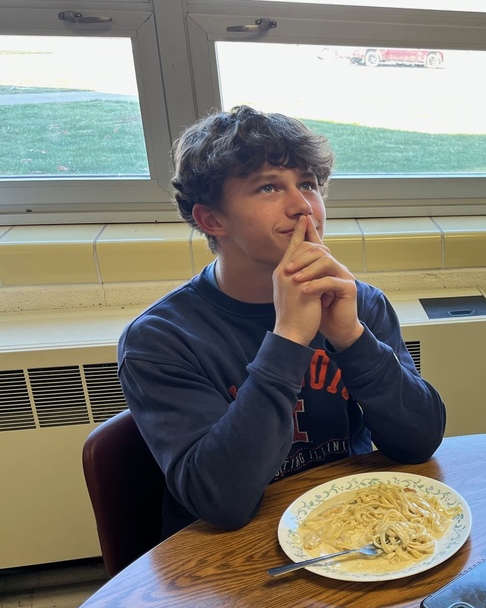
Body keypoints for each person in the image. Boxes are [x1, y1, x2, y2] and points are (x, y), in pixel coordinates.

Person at [118, 105, 446, 537]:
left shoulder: (359, 303)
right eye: (269, 188)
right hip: (232, 558)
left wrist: (351, 337)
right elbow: (222, 502)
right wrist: (289, 337)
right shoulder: (160, 339)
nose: (303, 208)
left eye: (309, 184)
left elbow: (419, 442)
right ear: (212, 219)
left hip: (352, 528)